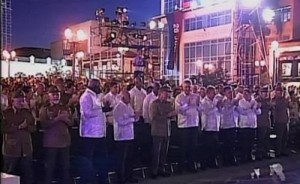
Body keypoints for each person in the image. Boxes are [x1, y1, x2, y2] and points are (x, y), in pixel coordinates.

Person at [79, 79, 112, 184]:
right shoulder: (86, 97)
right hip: (90, 134)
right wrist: (102, 110)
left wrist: (104, 108)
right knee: (89, 160)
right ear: (93, 86)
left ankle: (102, 178)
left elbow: (99, 110)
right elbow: (86, 114)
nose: (100, 88)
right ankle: (88, 180)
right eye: (98, 86)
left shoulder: (96, 96)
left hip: (100, 133)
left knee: (101, 158)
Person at [39, 86, 73, 184]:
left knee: (65, 168)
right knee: (50, 168)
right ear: (48, 96)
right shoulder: (45, 108)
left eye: (57, 94)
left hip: (64, 142)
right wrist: (57, 118)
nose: (55, 96)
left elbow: (71, 123)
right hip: (51, 143)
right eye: (53, 94)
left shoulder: (65, 107)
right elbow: (44, 124)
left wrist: (64, 119)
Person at [2, 90, 36, 184]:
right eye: (19, 101)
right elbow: (3, 128)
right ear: (12, 101)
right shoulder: (6, 113)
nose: (22, 103)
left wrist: (27, 127)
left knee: (27, 174)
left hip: (26, 149)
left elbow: (34, 127)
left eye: (23, 100)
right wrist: (18, 127)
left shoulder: (27, 112)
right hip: (11, 149)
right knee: (9, 174)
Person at [175, 79, 201, 173]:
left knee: (192, 146)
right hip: (183, 126)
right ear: (182, 87)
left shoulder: (196, 96)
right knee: (183, 147)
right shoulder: (179, 97)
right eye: (186, 87)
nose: (187, 88)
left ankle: (191, 165)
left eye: (189, 87)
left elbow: (200, 109)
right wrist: (187, 104)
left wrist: (197, 104)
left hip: (193, 124)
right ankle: (181, 167)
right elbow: (179, 110)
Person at [149, 86, 176, 178]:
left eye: (167, 94)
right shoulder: (154, 104)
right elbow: (154, 117)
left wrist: (173, 115)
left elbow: (171, 114)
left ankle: (162, 169)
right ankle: (154, 171)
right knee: (156, 152)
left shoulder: (168, 104)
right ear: (160, 94)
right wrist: (167, 115)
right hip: (157, 130)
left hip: (166, 130)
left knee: (164, 152)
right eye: (165, 93)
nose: (167, 95)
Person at [113, 90, 138, 184]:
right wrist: (132, 118)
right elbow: (121, 121)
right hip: (122, 136)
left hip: (130, 135)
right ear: (123, 98)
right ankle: (120, 178)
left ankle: (129, 176)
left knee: (129, 158)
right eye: (128, 97)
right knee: (121, 159)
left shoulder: (128, 106)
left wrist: (135, 116)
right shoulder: (118, 107)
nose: (130, 99)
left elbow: (132, 117)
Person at [237, 88, 261, 163]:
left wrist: (257, 108)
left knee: (251, 142)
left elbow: (258, 112)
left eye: (246, 94)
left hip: (252, 125)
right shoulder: (241, 102)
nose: (245, 95)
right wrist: (251, 108)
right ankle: (243, 157)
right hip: (244, 125)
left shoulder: (254, 102)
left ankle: (249, 156)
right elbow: (242, 112)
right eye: (244, 94)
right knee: (244, 142)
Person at [201, 86, 221, 169]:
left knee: (214, 146)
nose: (214, 95)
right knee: (207, 146)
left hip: (215, 126)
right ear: (208, 93)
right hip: (208, 127)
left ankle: (213, 161)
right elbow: (206, 111)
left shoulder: (215, 101)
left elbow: (219, 111)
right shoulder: (204, 101)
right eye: (213, 93)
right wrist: (215, 106)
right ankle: (206, 163)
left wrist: (218, 106)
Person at [220, 86, 239, 165]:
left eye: (231, 92)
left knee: (232, 143)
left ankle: (231, 159)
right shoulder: (223, 101)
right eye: (229, 93)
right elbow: (224, 112)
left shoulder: (234, 101)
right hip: (225, 125)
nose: (231, 94)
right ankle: (226, 160)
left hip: (233, 124)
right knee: (226, 144)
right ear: (225, 93)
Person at [271, 86, 289, 157]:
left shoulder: (284, 99)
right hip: (279, 121)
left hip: (285, 120)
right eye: (279, 92)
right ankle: (278, 152)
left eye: (281, 92)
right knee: (279, 138)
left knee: (285, 137)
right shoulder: (275, 100)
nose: (280, 93)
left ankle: (283, 150)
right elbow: (274, 110)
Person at [256, 87, 271, 160]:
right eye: (264, 93)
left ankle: (265, 153)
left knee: (266, 139)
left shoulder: (267, 100)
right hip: (261, 123)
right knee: (260, 139)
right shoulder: (258, 100)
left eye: (266, 92)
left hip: (267, 122)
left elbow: (270, 106)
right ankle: (259, 154)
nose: (266, 94)